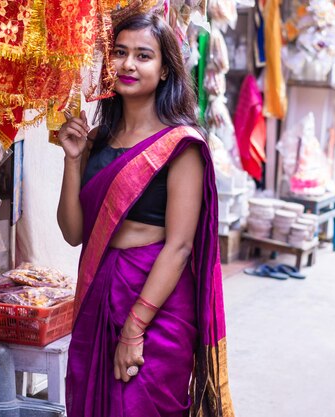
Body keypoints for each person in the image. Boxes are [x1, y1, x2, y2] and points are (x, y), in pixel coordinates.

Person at [56, 12, 234, 417]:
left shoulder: (181, 145)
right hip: (100, 285)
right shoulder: (98, 141)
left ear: (166, 68)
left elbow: (181, 246)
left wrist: (135, 328)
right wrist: (72, 160)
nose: (129, 65)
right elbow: (72, 233)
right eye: (119, 53)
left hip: (157, 300)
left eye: (143, 55)